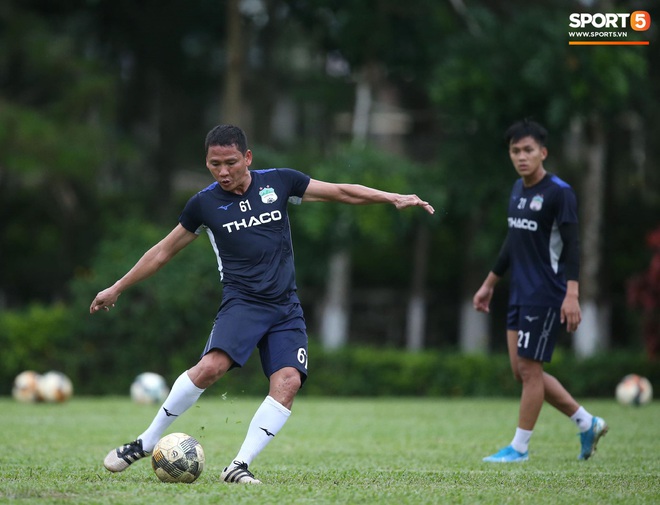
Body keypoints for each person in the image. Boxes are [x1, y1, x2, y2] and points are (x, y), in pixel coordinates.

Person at [90, 124, 435, 483]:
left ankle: (238, 465)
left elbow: (340, 192)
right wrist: (117, 287)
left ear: (248, 158)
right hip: (242, 303)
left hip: (285, 307)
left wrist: (390, 196)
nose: (223, 172)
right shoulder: (204, 204)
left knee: (287, 382)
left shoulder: (279, 182)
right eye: (214, 164)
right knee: (210, 368)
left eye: (231, 162)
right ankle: (146, 441)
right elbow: (162, 252)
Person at [472, 119, 607, 463]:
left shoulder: (559, 192)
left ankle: (519, 448)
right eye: (515, 151)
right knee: (522, 371)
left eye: (528, 150)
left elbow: (574, 247)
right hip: (519, 292)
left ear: (543, 152)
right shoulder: (518, 190)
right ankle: (586, 422)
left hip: (547, 293)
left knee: (531, 371)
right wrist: (489, 284)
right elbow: (512, 243)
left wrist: (572, 294)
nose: (521, 157)